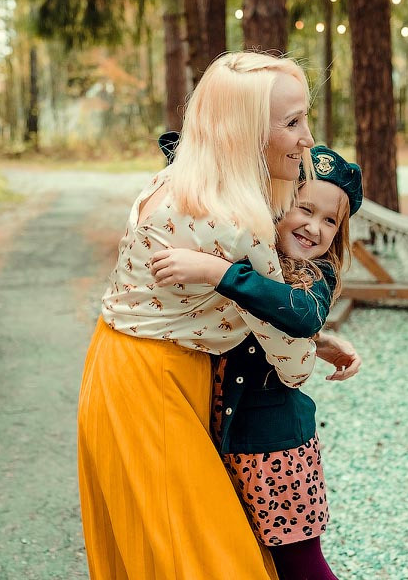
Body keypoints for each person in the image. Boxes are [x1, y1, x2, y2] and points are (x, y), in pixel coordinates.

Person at [78, 51, 331, 580]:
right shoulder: (239, 218)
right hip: (153, 387)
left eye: (304, 116)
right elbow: (290, 360)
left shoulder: (177, 180)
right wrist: (311, 344)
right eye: (292, 122)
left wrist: (321, 340)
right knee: (206, 556)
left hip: (123, 368)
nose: (308, 136)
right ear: (245, 133)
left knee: (165, 547)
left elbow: (224, 310)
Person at [148, 145, 363, 580]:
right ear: (275, 204)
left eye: (329, 221)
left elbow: (299, 314)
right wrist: (320, 346)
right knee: (239, 558)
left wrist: (215, 272)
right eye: (305, 208)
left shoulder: (312, 276)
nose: (314, 227)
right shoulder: (251, 252)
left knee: (300, 567)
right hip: (223, 439)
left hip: (276, 453)